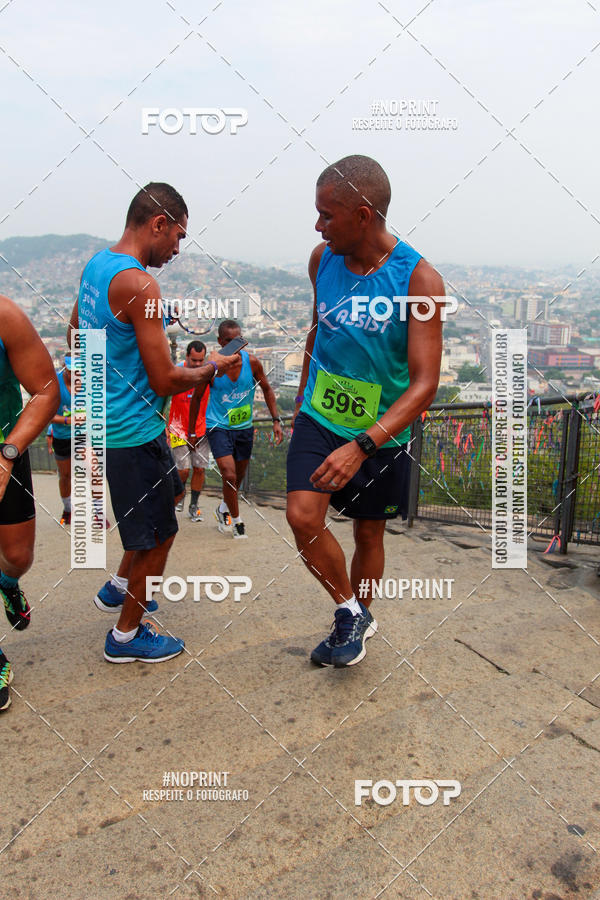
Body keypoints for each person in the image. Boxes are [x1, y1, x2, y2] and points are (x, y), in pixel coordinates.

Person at [69, 182, 240, 663]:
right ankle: (126, 635)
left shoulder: (98, 267)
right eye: (178, 236)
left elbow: (75, 331)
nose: (177, 248)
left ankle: (119, 587)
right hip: (134, 430)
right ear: (158, 223)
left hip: (111, 422)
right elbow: (166, 380)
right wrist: (215, 367)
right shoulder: (141, 284)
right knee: (160, 534)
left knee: (159, 509)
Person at [286, 155, 443, 668]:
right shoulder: (321, 259)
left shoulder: (418, 280)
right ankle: (349, 611)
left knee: (368, 532)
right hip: (320, 415)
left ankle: (360, 612)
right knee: (301, 514)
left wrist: (363, 444)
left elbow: (424, 385)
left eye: (327, 215)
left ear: (363, 213)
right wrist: (303, 392)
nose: (317, 225)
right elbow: (317, 328)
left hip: (381, 432)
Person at [0, 295, 59, 710]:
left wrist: (8, 454)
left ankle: (7, 582)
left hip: (5, 451)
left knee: (18, 557)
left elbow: (45, 390)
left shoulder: (5, 314)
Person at [188, 320, 283, 539]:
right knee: (229, 474)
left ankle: (222, 509)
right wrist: (193, 432)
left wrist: (276, 420)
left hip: (244, 428)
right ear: (220, 342)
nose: (235, 346)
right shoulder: (211, 368)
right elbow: (197, 399)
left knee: (237, 478)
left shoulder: (253, 363)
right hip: (218, 426)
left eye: (238, 341)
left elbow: (267, 390)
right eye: (229, 342)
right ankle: (237, 521)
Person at [167, 340, 210, 521]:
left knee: (199, 469)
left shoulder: (208, 374)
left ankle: (194, 505)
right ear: (187, 357)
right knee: (183, 470)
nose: (198, 364)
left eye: (201, 361)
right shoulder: (177, 372)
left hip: (201, 428)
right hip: (178, 428)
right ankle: (179, 495)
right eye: (194, 361)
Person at [49, 354, 74, 525]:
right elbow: (48, 415)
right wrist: (68, 420)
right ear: (65, 367)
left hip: (84, 434)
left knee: (95, 472)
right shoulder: (54, 382)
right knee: (65, 476)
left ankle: (98, 512)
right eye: (71, 371)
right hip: (62, 436)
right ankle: (68, 510)